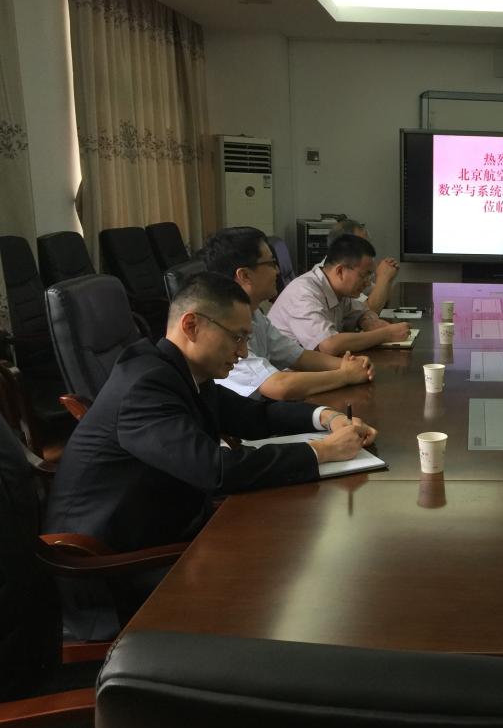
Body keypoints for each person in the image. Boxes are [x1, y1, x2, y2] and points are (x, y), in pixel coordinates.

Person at [44, 273, 377, 637]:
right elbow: (215, 470)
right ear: (191, 326)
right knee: (288, 582)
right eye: (237, 337)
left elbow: (255, 415)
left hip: (162, 524)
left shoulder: (177, 370)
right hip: (110, 571)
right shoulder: (146, 385)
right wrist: (322, 451)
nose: (243, 352)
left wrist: (327, 418)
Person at [202, 226, 374, 400]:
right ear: (245, 275)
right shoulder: (220, 328)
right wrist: (345, 375)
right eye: (271, 264)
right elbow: (279, 386)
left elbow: (298, 356)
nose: (277, 271)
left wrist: (348, 364)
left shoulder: (255, 314)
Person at [268, 232, 410, 354]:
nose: (368, 283)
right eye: (364, 276)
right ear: (340, 271)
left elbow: (362, 311)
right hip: (287, 373)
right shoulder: (304, 293)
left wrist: (368, 321)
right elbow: (329, 345)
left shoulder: (338, 290)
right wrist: (386, 334)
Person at [333, 218, 399, 315]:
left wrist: (388, 280)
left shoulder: (356, 268)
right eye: (362, 245)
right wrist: (383, 278)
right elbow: (369, 311)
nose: (368, 250)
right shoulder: (344, 271)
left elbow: (384, 301)